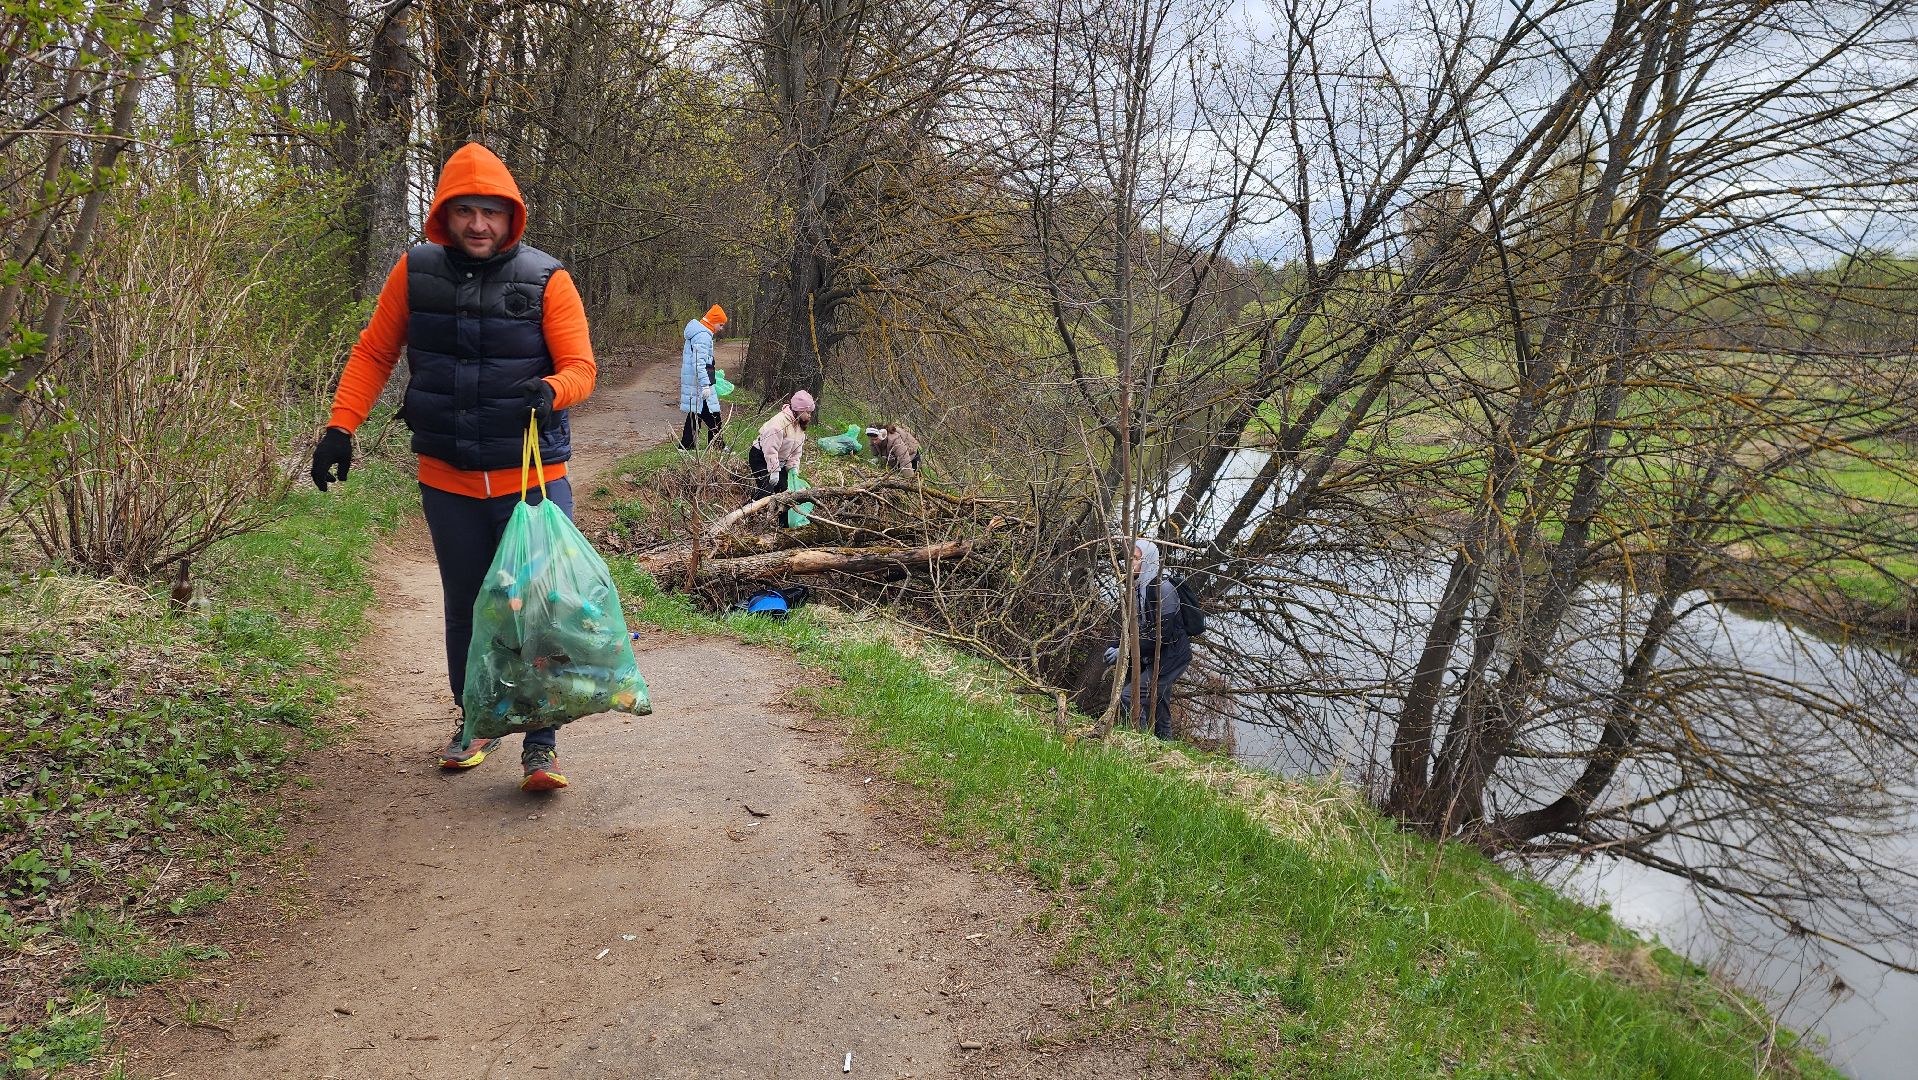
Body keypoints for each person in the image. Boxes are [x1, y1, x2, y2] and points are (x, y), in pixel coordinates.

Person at [308, 141, 596, 793]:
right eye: (464, 210)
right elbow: (373, 353)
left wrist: (554, 390)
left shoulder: (548, 279)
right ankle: (476, 721)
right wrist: (339, 428)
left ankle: (542, 746)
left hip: (532, 482)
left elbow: (582, 368)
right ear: (443, 213)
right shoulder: (413, 275)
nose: (477, 225)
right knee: (466, 607)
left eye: (490, 212)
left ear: (511, 216)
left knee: (539, 609)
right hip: (449, 479)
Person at [1103, 538, 1192, 739]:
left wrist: (1123, 651)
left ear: (1149, 561)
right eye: (1128, 558)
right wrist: (1115, 646)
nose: (1129, 563)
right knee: (1159, 701)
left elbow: (1160, 638)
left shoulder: (1163, 590)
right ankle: (1165, 746)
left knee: (1130, 697)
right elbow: (1135, 629)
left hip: (1172, 657)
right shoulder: (1137, 587)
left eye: (1135, 559)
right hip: (1155, 655)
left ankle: (1142, 744)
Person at [749, 390, 814, 499]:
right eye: (807, 412)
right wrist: (774, 471)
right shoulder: (779, 424)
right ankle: (746, 512)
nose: (809, 416)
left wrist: (793, 468)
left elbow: (796, 452)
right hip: (760, 457)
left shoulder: (799, 427)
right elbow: (770, 450)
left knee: (786, 494)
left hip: (780, 462)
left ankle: (783, 516)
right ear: (799, 410)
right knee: (766, 491)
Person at [680, 304, 727, 450]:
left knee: (696, 413)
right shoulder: (703, 336)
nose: (721, 328)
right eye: (721, 324)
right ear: (713, 321)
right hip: (700, 383)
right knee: (713, 413)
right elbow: (698, 363)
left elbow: (703, 361)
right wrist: (706, 385)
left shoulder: (700, 333)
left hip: (698, 381)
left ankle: (687, 444)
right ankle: (717, 446)